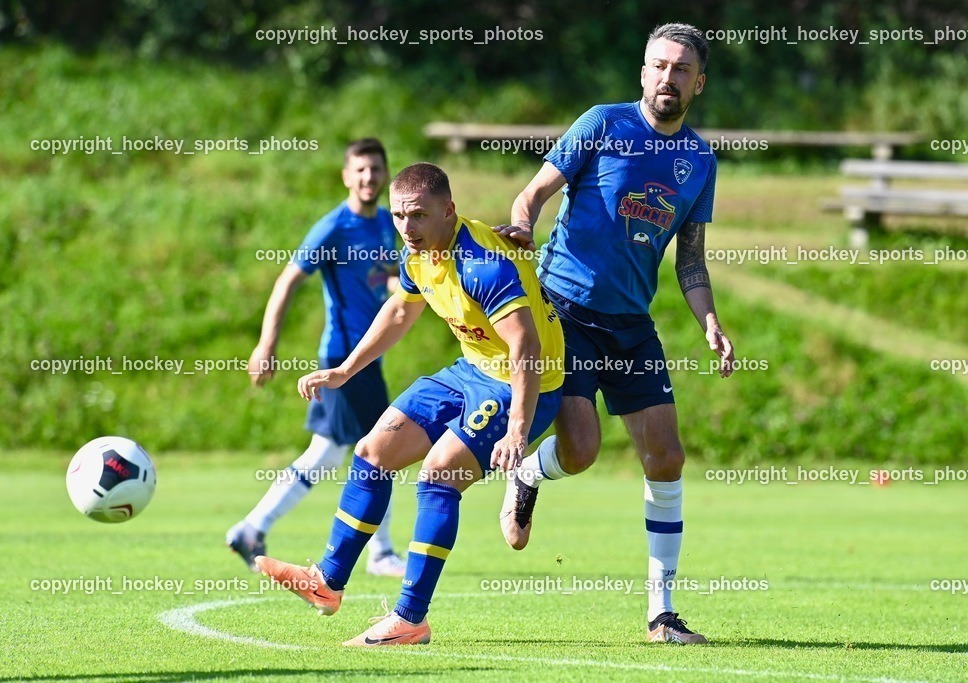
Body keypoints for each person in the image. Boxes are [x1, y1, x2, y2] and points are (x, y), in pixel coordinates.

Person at [254, 162, 564, 647]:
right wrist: (345, 370)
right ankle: (326, 582)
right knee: (372, 451)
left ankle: (409, 619)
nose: (406, 226)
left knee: (439, 475)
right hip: (472, 369)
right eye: (399, 215)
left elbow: (526, 348)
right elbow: (400, 309)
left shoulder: (482, 263)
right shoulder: (418, 253)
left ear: (448, 210)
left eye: (418, 215)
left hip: (524, 382)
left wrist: (517, 431)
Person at [496, 23, 735, 645]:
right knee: (581, 450)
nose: (667, 77)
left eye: (681, 69)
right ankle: (528, 476)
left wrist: (709, 320)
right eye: (659, 65)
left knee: (668, 457)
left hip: (631, 324)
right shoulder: (603, 122)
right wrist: (523, 226)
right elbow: (532, 194)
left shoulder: (700, 161)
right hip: (565, 310)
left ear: (699, 83)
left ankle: (662, 614)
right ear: (643, 71)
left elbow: (690, 259)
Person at [226, 138, 405, 578]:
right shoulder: (333, 228)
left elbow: (386, 278)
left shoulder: (388, 223)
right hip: (345, 357)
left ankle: (251, 529)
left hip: (365, 357)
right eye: (360, 170)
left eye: (375, 169)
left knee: (326, 455)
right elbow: (287, 281)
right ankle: (381, 552)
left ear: (385, 174)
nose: (368, 177)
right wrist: (266, 344)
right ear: (346, 176)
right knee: (384, 448)